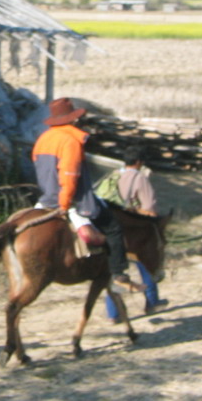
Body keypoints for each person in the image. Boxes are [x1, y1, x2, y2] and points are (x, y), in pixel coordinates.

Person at [32, 97, 145, 294]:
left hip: (45, 198)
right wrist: (65, 205)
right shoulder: (70, 141)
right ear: (72, 120)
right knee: (113, 228)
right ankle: (119, 274)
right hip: (69, 200)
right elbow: (69, 176)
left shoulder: (43, 140)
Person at [104, 145, 169, 319]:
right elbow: (149, 208)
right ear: (139, 162)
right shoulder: (139, 178)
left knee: (114, 272)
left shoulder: (114, 175)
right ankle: (152, 302)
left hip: (112, 228)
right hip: (134, 230)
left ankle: (114, 312)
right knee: (147, 265)